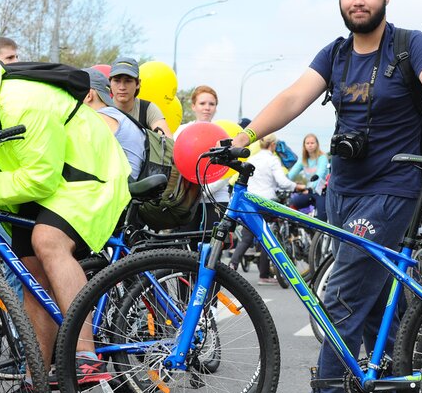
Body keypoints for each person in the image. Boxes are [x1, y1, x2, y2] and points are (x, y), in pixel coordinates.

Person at [231, 0, 422, 393]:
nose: (358, 1)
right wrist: (245, 135)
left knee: (340, 295)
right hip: (342, 192)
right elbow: (294, 97)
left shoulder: (410, 45)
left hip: (393, 189)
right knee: (369, 308)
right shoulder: (336, 54)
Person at [0, 60, 131, 393]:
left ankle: (85, 354)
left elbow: (41, 177)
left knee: (47, 241)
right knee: (29, 272)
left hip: (86, 172)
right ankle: (34, 385)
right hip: (42, 176)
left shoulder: (23, 103)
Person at [228, 134, 305, 282]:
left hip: (250, 202)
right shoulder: (272, 159)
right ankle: (264, 275)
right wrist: (298, 187)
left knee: (246, 237)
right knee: (267, 235)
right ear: (273, 145)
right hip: (266, 202)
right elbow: (282, 182)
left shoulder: (252, 159)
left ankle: (233, 264)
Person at [175, 85, 230, 230]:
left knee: (212, 246)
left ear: (216, 108)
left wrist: (204, 191)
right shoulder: (181, 131)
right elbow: (174, 162)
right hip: (187, 199)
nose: (207, 108)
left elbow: (226, 171)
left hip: (216, 199)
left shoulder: (223, 134)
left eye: (211, 104)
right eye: (202, 103)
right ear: (193, 106)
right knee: (185, 244)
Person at [83, 67, 145, 179]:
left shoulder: (99, 119)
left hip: (120, 191)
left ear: (89, 95)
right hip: (128, 187)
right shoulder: (117, 115)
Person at [109, 56, 172, 137]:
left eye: (128, 81)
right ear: (110, 83)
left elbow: (167, 141)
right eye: (117, 81)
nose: (122, 87)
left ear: (138, 83)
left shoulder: (147, 109)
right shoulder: (103, 110)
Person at [287, 133, 329, 221]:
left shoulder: (322, 158)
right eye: (307, 143)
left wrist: (309, 187)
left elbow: (319, 175)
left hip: (322, 191)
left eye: (312, 143)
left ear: (317, 144)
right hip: (309, 191)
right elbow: (292, 173)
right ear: (304, 145)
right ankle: (298, 227)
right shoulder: (303, 159)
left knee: (322, 217)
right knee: (292, 203)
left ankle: (321, 233)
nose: (310, 145)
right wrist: (284, 182)